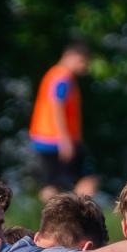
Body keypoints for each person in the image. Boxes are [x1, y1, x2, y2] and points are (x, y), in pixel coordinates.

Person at [28, 43, 97, 200]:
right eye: (83, 62)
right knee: (87, 180)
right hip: (57, 139)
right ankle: (83, 218)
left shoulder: (53, 74)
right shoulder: (63, 77)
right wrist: (64, 138)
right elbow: (56, 105)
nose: (85, 67)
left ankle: (51, 220)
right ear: (72, 56)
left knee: (51, 184)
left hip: (44, 137)